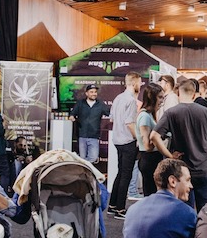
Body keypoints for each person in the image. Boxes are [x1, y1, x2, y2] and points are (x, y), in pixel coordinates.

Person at [151, 79, 207, 211]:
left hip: (182, 172)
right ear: (194, 94)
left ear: (178, 94)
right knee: (206, 212)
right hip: (204, 169)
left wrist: (170, 156)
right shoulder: (206, 112)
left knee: (184, 211)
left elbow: (154, 136)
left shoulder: (171, 113)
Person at [108, 72, 142, 219]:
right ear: (134, 83)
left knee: (121, 173)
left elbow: (112, 118)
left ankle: (112, 205)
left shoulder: (118, 98)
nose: (140, 86)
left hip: (117, 140)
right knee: (126, 176)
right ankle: (120, 210)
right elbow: (129, 123)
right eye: (139, 83)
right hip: (128, 141)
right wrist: (138, 139)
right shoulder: (131, 101)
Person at [136, 83, 164, 197]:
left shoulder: (150, 115)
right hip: (149, 159)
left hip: (153, 159)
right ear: (152, 97)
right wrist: (159, 137)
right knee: (151, 195)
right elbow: (147, 146)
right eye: (160, 97)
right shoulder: (145, 116)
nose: (162, 101)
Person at [70, 84, 108, 163]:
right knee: (82, 157)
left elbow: (110, 113)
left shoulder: (100, 104)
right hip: (82, 135)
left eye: (95, 92)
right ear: (86, 93)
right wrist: (72, 117)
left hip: (94, 136)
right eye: (91, 92)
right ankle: (83, 168)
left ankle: (83, 164)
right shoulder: (80, 103)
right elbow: (72, 114)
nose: (94, 94)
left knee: (93, 157)